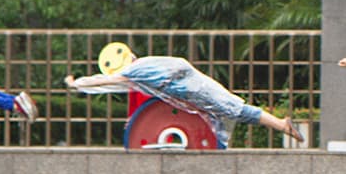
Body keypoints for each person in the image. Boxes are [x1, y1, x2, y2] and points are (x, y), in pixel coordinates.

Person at [67, 42, 304, 145]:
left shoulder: (133, 71)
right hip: (191, 84)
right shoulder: (144, 64)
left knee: (232, 109)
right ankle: (279, 125)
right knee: (229, 109)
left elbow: (108, 81)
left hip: (190, 88)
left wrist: (78, 84)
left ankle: (281, 125)